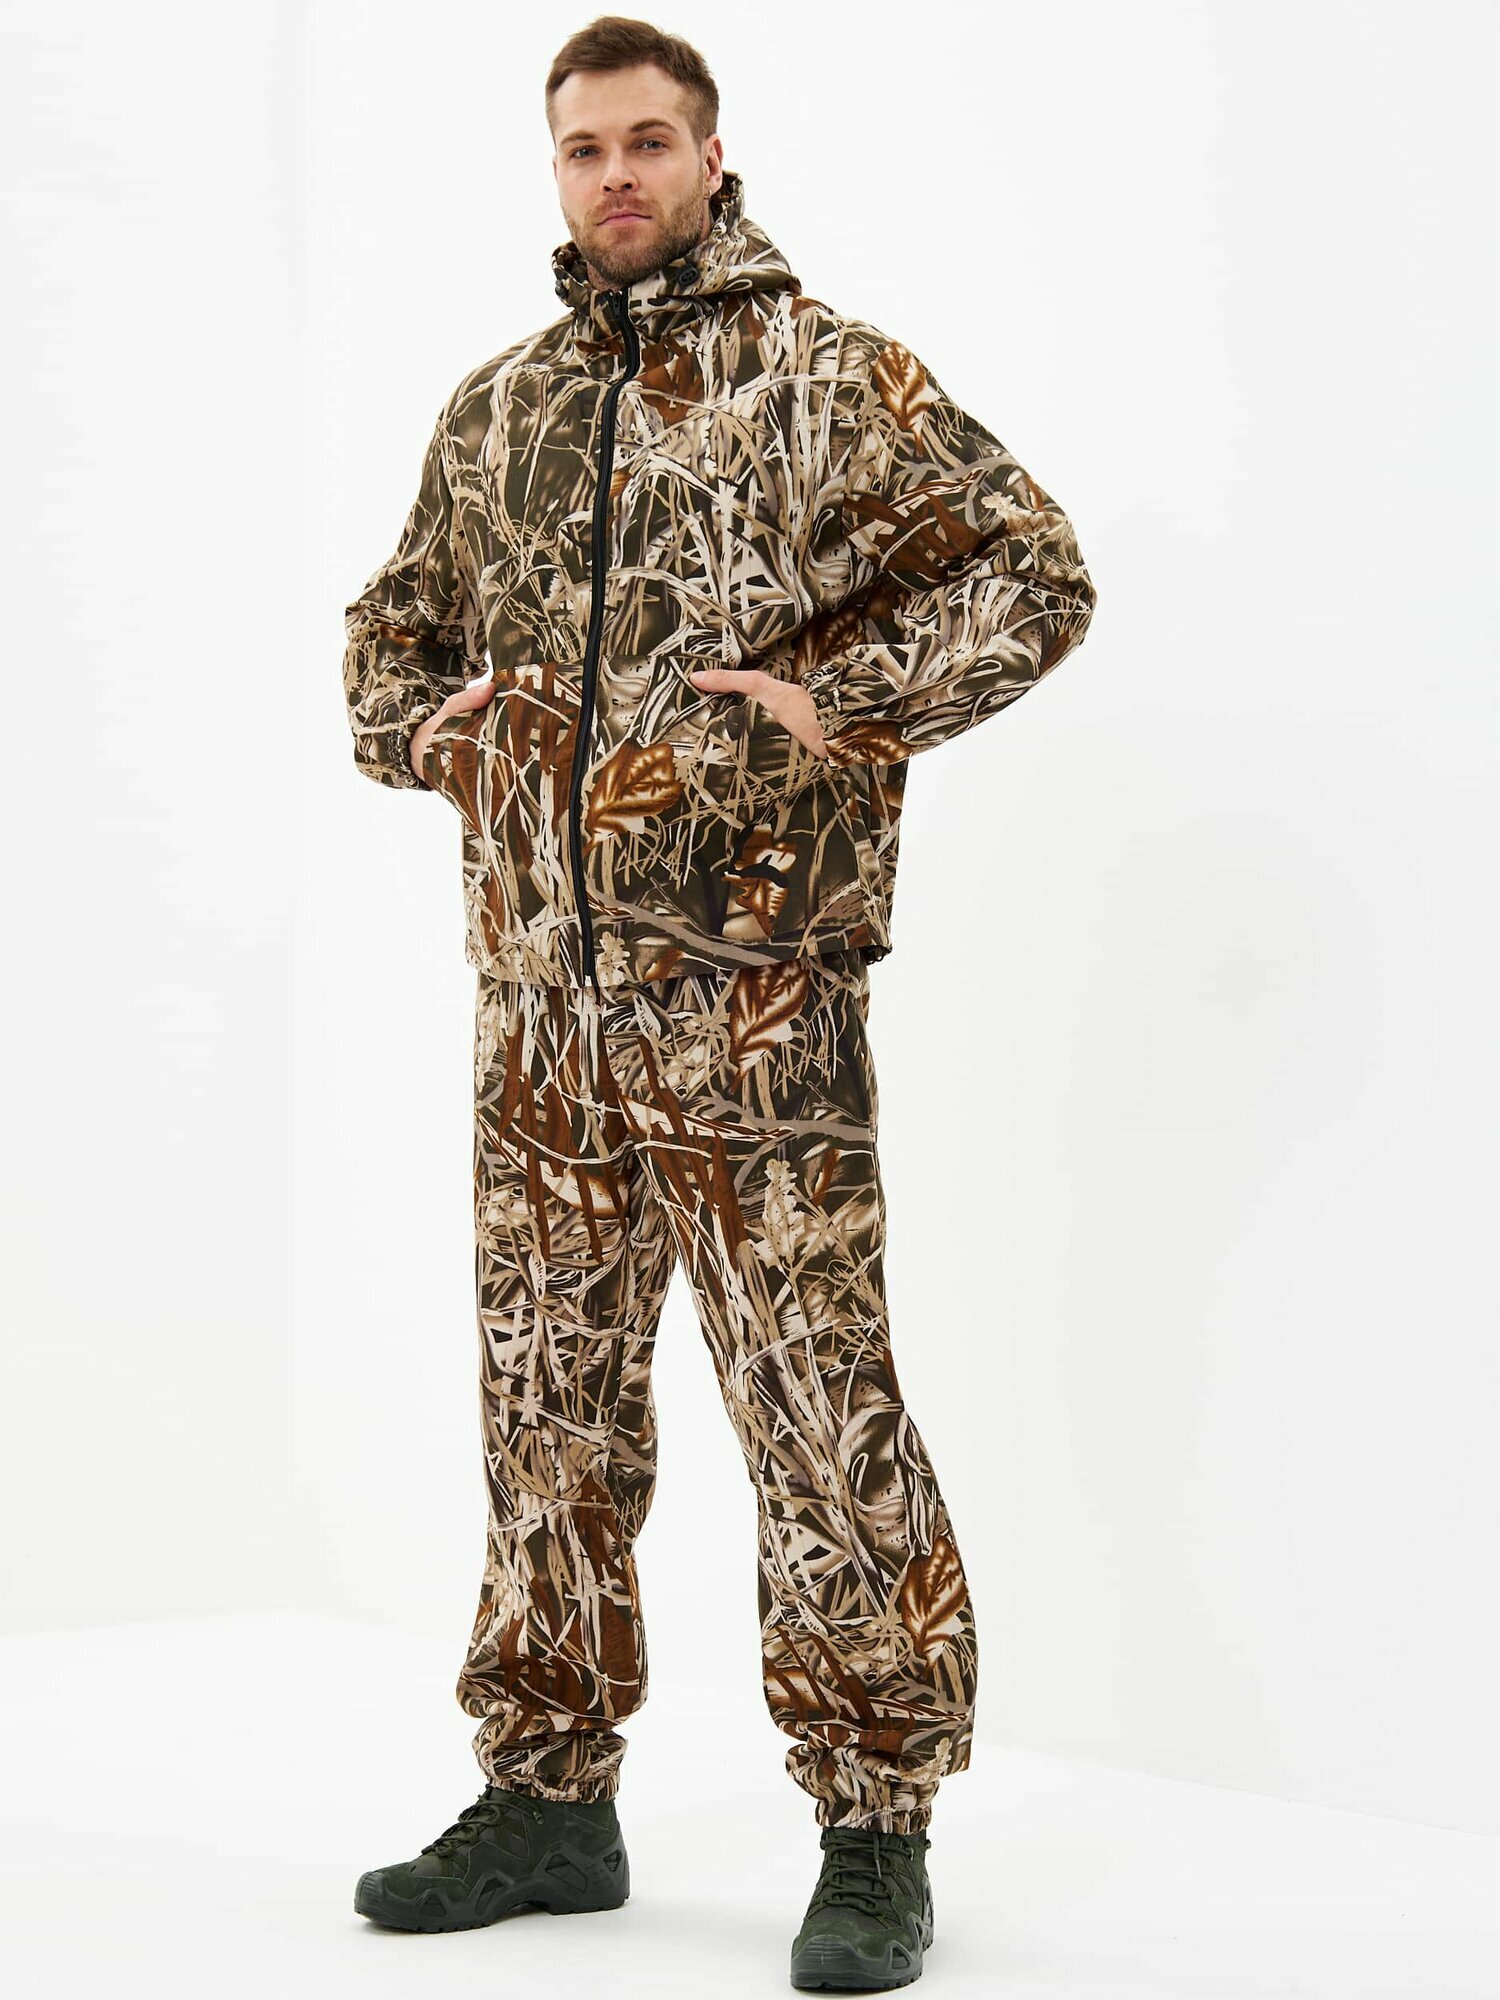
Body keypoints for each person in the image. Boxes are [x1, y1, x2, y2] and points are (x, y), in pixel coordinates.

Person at [340, 14, 1097, 1988]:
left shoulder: (825, 378)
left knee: (817, 1406)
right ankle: (546, 1795)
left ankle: (875, 1821)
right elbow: (388, 638)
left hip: (752, 1003)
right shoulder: (499, 415)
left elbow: (1032, 570)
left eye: (647, 141)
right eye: (583, 147)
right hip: (540, 1014)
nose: (616, 175)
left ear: (711, 154)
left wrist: (841, 705)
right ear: (556, 167)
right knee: (546, 1406)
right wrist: (426, 729)